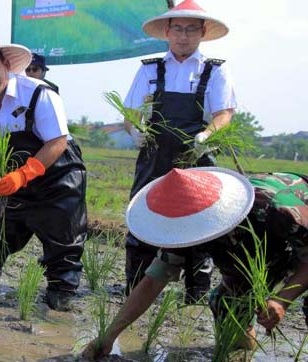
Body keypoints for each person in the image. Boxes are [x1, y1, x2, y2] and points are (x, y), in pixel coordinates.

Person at [82, 167, 308, 360]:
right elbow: (152, 282)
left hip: (292, 229)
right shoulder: (185, 224)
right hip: (256, 244)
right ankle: (241, 353)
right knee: (228, 304)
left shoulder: (276, 211)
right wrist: (109, 335)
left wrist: (282, 300)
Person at [0, 39, 87, 311]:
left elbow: (57, 142)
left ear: (7, 65)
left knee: (63, 245)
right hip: (18, 184)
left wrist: (24, 174)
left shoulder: (37, 93)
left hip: (59, 178)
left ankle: (61, 301)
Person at [123, 0, 237, 300]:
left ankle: (195, 293)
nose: (183, 37)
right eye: (177, 30)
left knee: (198, 220)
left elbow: (224, 114)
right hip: (154, 154)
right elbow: (131, 112)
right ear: (167, 32)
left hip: (195, 156)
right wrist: (136, 129)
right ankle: (135, 287)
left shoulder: (214, 71)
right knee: (143, 215)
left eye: (190, 30)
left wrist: (206, 135)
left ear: (202, 33)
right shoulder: (149, 69)